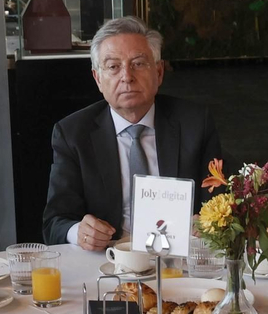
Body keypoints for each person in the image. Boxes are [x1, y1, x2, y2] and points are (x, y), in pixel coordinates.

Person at [42, 16, 223, 251]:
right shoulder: (73, 134)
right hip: (109, 259)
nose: (126, 76)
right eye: (113, 67)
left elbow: (220, 202)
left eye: (138, 63)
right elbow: (55, 222)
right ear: (98, 79)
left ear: (158, 72)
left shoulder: (195, 124)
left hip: (179, 257)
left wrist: (207, 224)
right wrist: (80, 232)